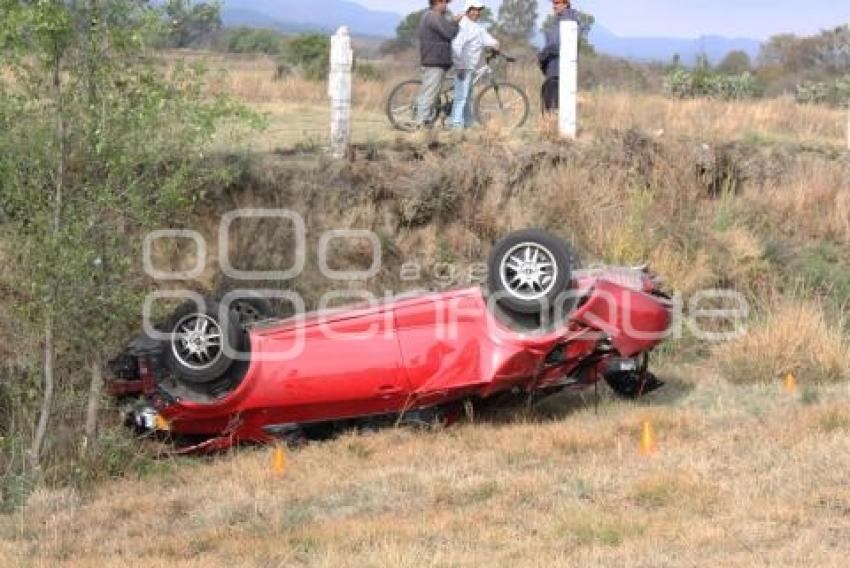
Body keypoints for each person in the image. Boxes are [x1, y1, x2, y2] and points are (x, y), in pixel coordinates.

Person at [451, 1, 499, 130]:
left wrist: (495, 43)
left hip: (471, 66)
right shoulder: (463, 25)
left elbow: (485, 38)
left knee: (467, 96)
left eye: (478, 10)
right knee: (461, 97)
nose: (477, 12)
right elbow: (456, 46)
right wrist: (459, 66)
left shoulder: (477, 26)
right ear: (467, 10)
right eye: (474, 9)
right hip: (464, 66)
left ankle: (468, 122)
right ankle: (455, 125)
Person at [416, 0, 463, 126]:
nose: (446, 5)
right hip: (434, 61)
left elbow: (446, 31)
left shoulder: (431, 16)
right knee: (430, 95)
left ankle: (424, 122)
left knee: (429, 93)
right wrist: (455, 23)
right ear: (437, 2)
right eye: (444, 2)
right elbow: (449, 33)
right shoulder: (434, 16)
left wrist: (452, 23)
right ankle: (421, 124)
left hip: (434, 60)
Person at [538, 0, 581, 112]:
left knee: (553, 108)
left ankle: (553, 128)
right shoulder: (561, 21)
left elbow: (558, 45)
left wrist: (543, 55)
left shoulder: (568, 21)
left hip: (558, 72)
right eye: (553, 3)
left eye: (557, 3)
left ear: (565, 4)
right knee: (552, 105)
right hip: (554, 70)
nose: (553, 6)